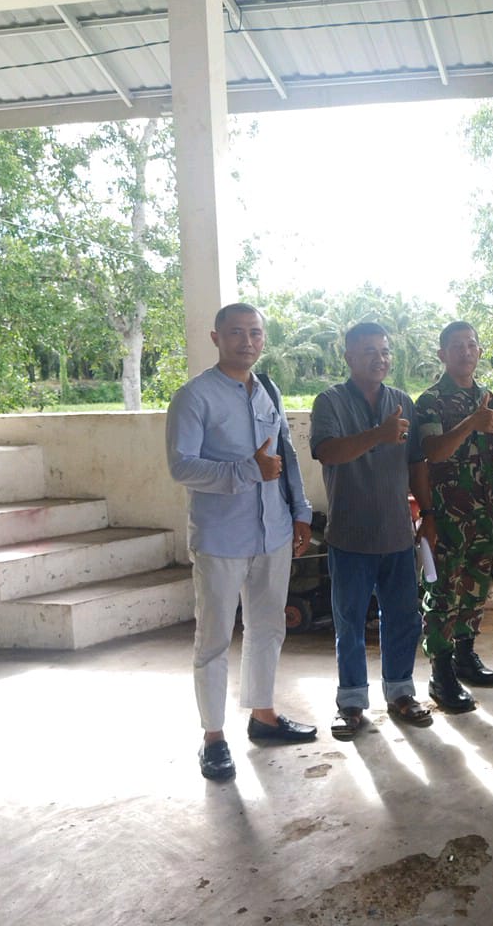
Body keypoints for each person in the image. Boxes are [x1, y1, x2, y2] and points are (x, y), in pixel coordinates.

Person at [166, 302, 317, 783]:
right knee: (213, 639)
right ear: (216, 338)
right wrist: (246, 471)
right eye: (236, 332)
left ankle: (264, 716)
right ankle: (213, 738)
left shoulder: (267, 390)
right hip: (220, 538)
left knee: (268, 627)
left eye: (255, 333)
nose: (247, 341)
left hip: (271, 531)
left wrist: (299, 512)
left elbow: (285, 456)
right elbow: (182, 466)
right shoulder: (194, 398)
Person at [310, 322, 436, 738]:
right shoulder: (329, 402)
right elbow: (328, 452)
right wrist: (379, 435)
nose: (379, 359)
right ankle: (350, 702)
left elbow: (416, 462)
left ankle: (401, 693)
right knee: (348, 621)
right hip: (349, 535)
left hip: (397, 533)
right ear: (348, 357)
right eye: (368, 351)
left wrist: (427, 514)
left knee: (403, 618)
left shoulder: (402, 401)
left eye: (384, 351)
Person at [414, 321, 493, 711]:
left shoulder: (488, 397)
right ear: (442, 355)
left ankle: (465, 655)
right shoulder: (431, 401)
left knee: (476, 584)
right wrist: (470, 423)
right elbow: (434, 451)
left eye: (472, 344)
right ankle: (441, 672)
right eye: (456, 345)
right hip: (446, 513)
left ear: (479, 352)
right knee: (442, 592)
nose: (466, 351)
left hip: (483, 511)